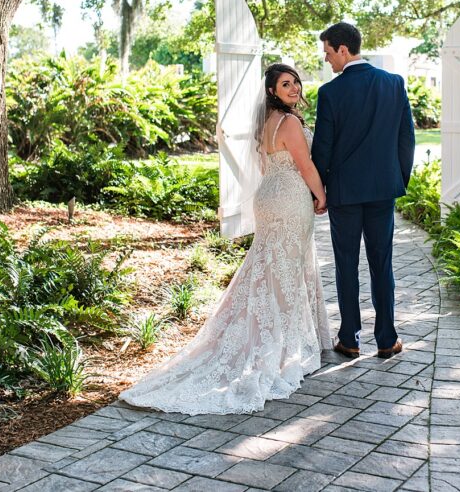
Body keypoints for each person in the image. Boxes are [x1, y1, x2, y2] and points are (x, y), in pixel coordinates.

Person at [119, 63, 330, 415]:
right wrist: (321, 195)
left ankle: (265, 337)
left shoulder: (266, 124)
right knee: (287, 272)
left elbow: (266, 166)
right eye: (285, 84)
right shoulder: (290, 122)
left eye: (295, 82)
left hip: (268, 197)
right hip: (291, 199)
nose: (293, 88)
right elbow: (305, 166)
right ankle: (277, 347)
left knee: (266, 270)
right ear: (272, 91)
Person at [311, 22, 415, 360]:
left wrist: (319, 191)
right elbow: (406, 140)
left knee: (345, 265)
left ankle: (350, 340)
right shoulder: (394, 84)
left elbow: (322, 149)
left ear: (343, 49)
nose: (327, 61)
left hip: (344, 193)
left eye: (328, 53)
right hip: (383, 190)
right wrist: (398, 179)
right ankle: (387, 339)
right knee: (382, 264)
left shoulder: (330, 93)